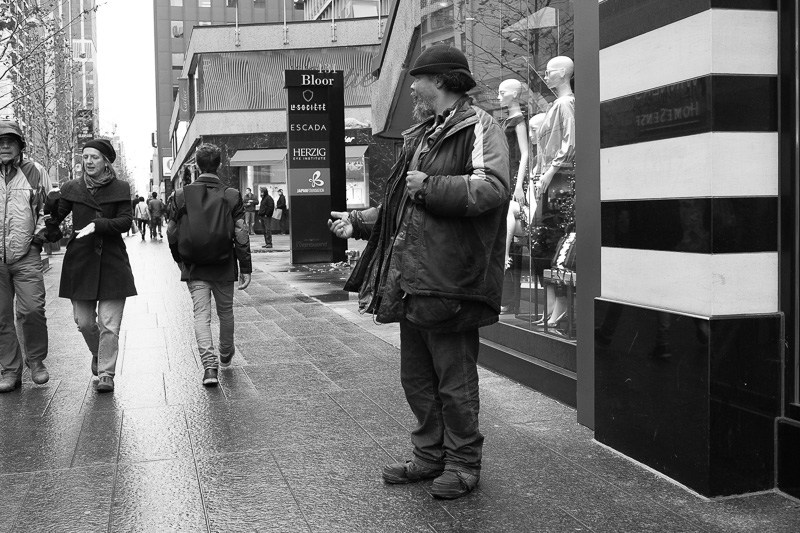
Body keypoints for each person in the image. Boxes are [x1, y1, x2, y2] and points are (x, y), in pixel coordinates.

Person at [327, 44, 509, 499]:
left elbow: (492, 189)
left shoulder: (481, 127)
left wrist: (429, 186)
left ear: (443, 81)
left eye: (419, 77)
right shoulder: (423, 133)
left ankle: (464, 463)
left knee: (455, 379)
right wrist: (360, 222)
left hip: (453, 279)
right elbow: (399, 204)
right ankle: (429, 456)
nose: (412, 85)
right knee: (417, 377)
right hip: (413, 279)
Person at [53, 139, 137, 393]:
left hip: (112, 262)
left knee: (109, 324)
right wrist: (49, 213)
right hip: (81, 262)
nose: (88, 161)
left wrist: (101, 225)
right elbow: (56, 217)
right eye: (85, 157)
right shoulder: (72, 188)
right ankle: (98, 354)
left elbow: (125, 221)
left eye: (94, 157)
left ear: (106, 162)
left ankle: (106, 373)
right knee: (84, 322)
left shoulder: (120, 188)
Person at [166, 143, 252, 387]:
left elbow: (172, 231)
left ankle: (209, 368)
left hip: (195, 266)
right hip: (224, 265)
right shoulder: (232, 195)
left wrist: (179, 259)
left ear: (196, 164)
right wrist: (245, 267)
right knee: (226, 313)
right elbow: (241, 234)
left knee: (201, 316)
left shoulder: (181, 195)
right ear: (220, 164)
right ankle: (226, 352)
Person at [0, 120, 53, 392]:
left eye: (10, 141)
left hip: (27, 255)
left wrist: (36, 242)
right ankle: (10, 371)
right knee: (1, 317)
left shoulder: (35, 172)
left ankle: (37, 361)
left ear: (21, 145)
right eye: (0, 141)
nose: (5, 146)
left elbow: (49, 211)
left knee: (32, 310)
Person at [530, 56, 576, 328]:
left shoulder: (565, 104)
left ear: (563, 74)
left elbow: (571, 142)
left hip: (558, 180)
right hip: (551, 179)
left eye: (550, 72)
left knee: (551, 239)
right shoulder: (557, 105)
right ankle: (553, 309)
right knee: (543, 241)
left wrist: (548, 173)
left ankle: (560, 308)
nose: (546, 76)